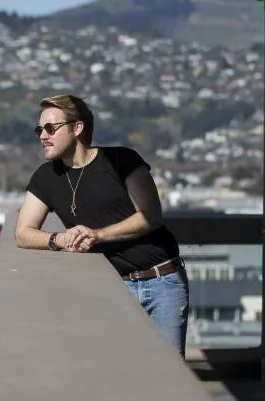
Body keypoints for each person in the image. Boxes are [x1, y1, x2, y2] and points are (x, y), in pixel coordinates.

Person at [15, 94, 190, 355]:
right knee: (120, 372)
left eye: (50, 128)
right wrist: (59, 239)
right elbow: (23, 233)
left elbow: (150, 216)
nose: (42, 135)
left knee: (171, 377)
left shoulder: (123, 161)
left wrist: (97, 235)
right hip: (111, 289)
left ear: (77, 127)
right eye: (39, 129)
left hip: (161, 283)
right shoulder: (46, 177)